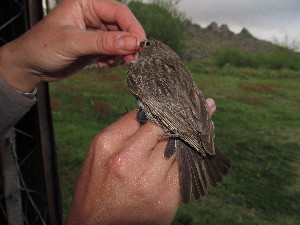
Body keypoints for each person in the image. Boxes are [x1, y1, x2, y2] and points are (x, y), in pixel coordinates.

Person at [0, 0, 216, 224]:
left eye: (147, 45)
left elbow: (168, 106)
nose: (141, 48)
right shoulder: (172, 68)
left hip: (180, 127)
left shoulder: (144, 70)